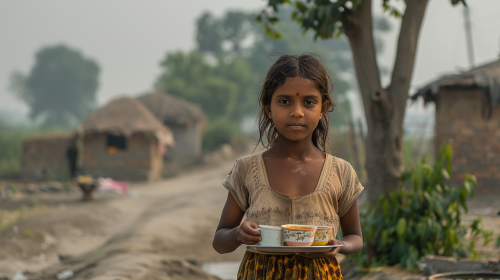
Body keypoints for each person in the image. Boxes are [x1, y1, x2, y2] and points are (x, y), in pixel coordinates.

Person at [212, 54, 364, 279]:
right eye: (284, 101)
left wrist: (340, 245)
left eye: (309, 102)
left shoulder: (340, 172)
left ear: (324, 108)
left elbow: (355, 238)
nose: (297, 112)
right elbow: (219, 242)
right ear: (268, 108)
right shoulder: (247, 170)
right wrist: (237, 234)